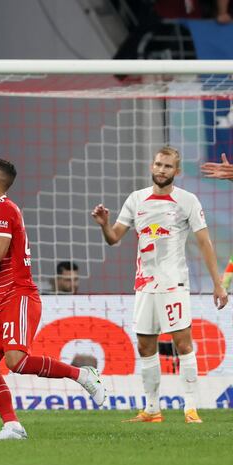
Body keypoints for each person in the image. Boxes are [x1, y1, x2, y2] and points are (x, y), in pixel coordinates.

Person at [0, 158, 104, 441]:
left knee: (16, 361)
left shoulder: (4, 208)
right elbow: (3, 259)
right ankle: (12, 425)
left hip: (18, 295)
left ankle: (82, 374)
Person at [91, 147, 227, 424]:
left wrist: (218, 284)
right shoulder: (136, 199)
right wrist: (105, 225)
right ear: (152, 167)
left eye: (167, 166)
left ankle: (191, 408)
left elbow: (204, 242)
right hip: (144, 286)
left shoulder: (187, 201)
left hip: (173, 284)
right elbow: (114, 238)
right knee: (144, 346)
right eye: (158, 164)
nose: (161, 170)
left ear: (176, 172)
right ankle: (152, 409)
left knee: (182, 343)